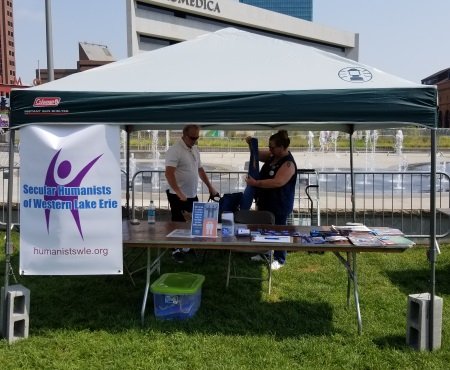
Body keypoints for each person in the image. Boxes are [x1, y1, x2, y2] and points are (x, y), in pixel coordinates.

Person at [245, 130, 297, 270]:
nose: (270, 149)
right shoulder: (272, 156)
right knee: (264, 228)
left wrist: (256, 184)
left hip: (280, 203)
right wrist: (252, 145)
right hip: (265, 201)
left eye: (273, 147)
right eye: (269, 146)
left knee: (279, 230)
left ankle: (280, 258)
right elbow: (258, 154)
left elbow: (277, 182)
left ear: (282, 147)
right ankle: (265, 253)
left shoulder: (288, 164)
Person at [165, 124, 218, 263]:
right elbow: (169, 173)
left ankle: (187, 246)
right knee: (178, 222)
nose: (195, 140)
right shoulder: (175, 150)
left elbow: (200, 170)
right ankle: (176, 249)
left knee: (194, 220)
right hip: (177, 194)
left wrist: (210, 187)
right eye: (192, 137)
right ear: (184, 135)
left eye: (197, 137)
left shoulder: (194, 149)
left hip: (192, 193)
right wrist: (178, 192)